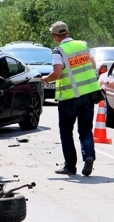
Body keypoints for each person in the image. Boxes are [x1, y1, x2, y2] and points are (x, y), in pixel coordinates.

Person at [41, 21, 101, 176]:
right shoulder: (83, 45)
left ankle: (70, 166)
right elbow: (93, 65)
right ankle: (88, 156)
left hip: (69, 98)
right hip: (87, 96)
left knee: (66, 132)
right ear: (67, 32)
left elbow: (57, 73)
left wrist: (45, 80)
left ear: (55, 37)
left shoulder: (58, 51)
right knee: (86, 130)